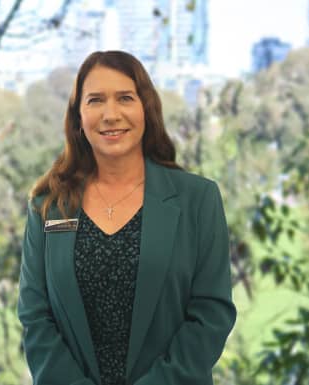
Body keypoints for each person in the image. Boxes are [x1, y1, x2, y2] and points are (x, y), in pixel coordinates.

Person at [17, 50, 236, 385]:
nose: (111, 114)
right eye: (95, 100)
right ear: (78, 117)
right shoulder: (48, 206)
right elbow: (36, 317)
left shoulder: (198, 200)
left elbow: (211, 314)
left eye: (125, 98)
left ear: (145, 109)